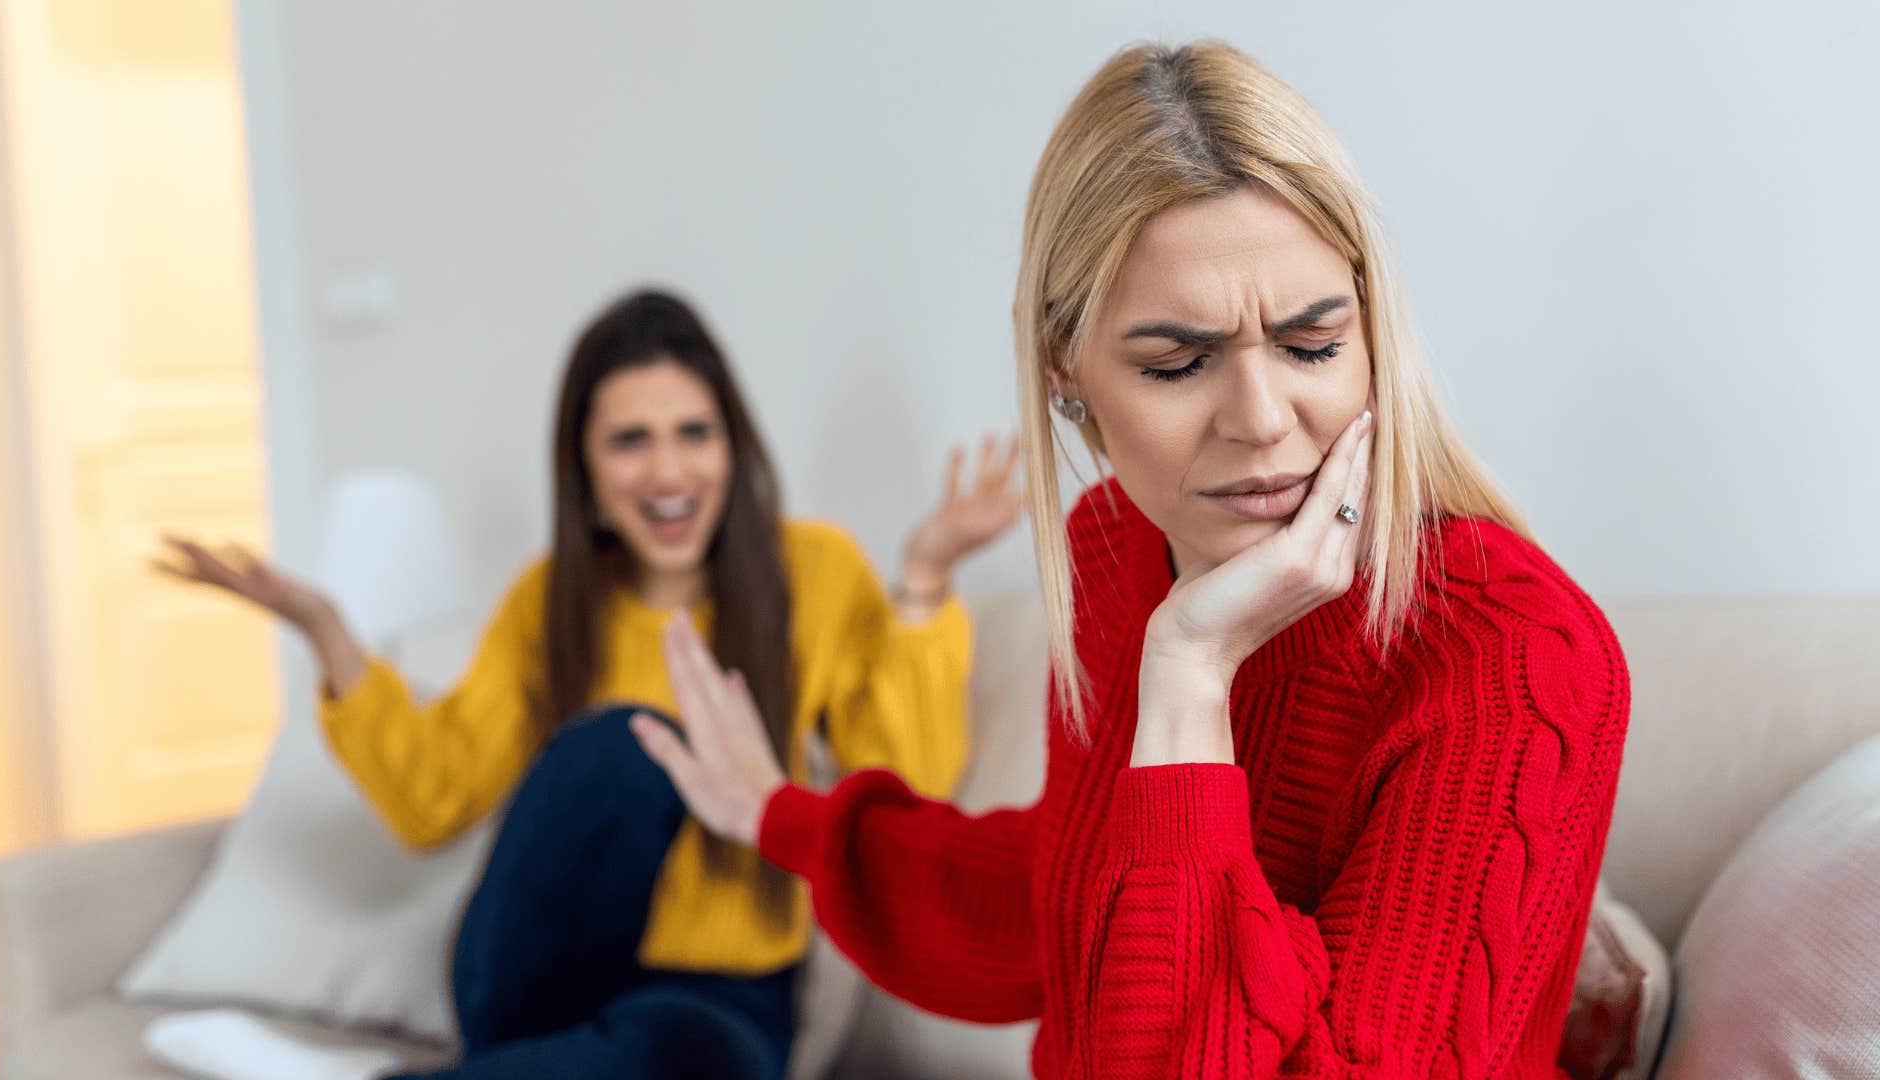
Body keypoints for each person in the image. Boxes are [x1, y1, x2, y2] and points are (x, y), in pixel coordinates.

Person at [633, 43, 1631, 1079]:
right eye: (1176, 362)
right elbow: (1065, 900)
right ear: (1064, 364)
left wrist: (1191, 679)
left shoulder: (1511, 655)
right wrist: (782, 815)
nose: (1260, 419)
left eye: (1313, 346)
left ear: (1376, 332)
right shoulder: (1112, 548)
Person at [157, 289, 1023, 1079]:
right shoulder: (548, 601)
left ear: (733, 446)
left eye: (694, 432)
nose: (669, 470)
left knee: (673, 1056)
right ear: (588, 472)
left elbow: (911, 786)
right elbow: (434, 798)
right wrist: (328, 634)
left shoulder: (816, 572)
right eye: (630, 440)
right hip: (531, 984)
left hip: (718, 999)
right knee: (626, 747)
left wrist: (924, 579)